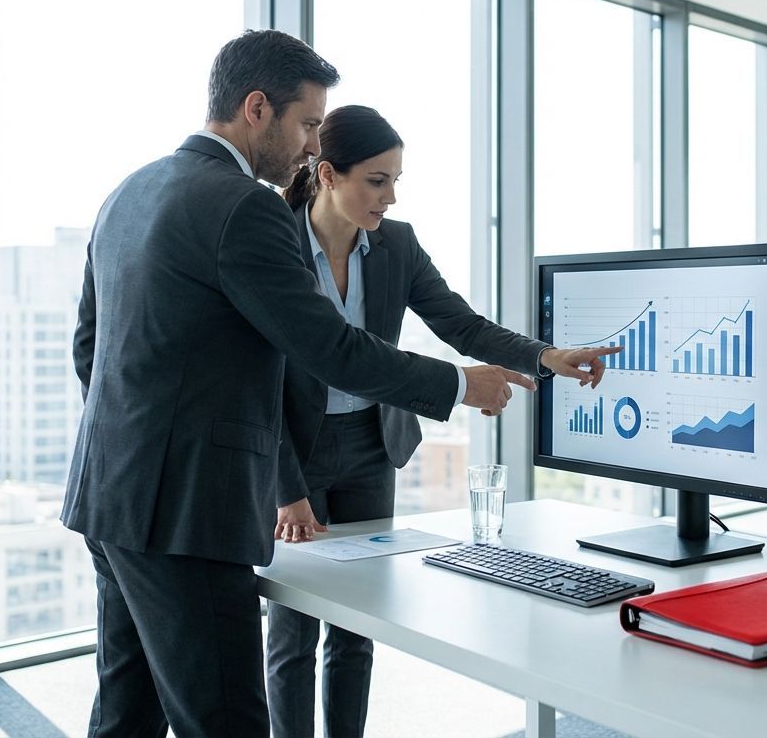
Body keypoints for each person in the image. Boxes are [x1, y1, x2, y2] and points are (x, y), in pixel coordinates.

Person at [63, 29, 612, 738]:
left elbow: (90, 347)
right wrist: (459, 386)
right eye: (306, 124)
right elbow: (328, 349)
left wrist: (139, 442)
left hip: (111, 492)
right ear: (257, 109)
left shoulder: (129, 191)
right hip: (189, 511)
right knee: (226, 719)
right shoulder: (245, 206)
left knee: (124, 715)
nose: (310, 145)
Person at [264, 105, 619, 738]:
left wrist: (547, 356)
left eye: (396, 181)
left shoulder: (396, 244)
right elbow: (258, 377)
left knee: (356, 628)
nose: (391, 197)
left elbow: (462, 324)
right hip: (297, 446)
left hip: (373, 444)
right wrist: (284, 487)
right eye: (377, 181)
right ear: (328, 175)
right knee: (294, 634)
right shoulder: (275, 242)